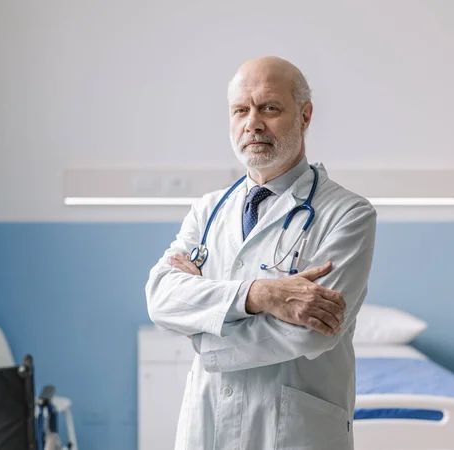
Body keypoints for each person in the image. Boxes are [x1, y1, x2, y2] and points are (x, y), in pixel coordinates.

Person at [145, 56, 377, 450]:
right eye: (240, 110)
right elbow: (161, 298)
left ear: (305, 116)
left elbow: (308, 334)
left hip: (293, 433)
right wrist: (263, 295)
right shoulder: (208, 210)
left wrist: (204, 328)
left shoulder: (348, 214)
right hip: (208, 427)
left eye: (269, 108)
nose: (252, 123)